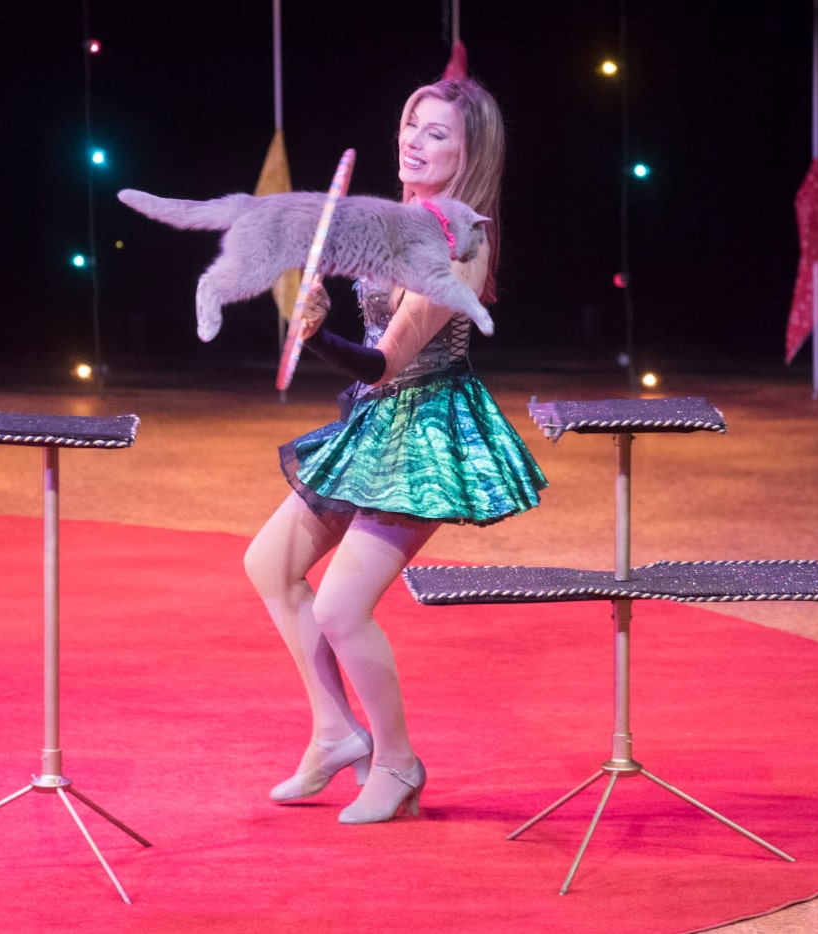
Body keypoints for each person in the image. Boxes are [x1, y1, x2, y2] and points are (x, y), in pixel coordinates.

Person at [243, 76, 548, 824]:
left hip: (432, 427)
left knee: (344, 607)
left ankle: (399, 763)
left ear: (471, 152)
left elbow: (391, 360)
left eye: (437, 132)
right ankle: (333, 731)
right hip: (379, 420)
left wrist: (320, 338)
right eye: (412, 124)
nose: (414, 139)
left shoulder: (461, 238)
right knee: (268, 564)